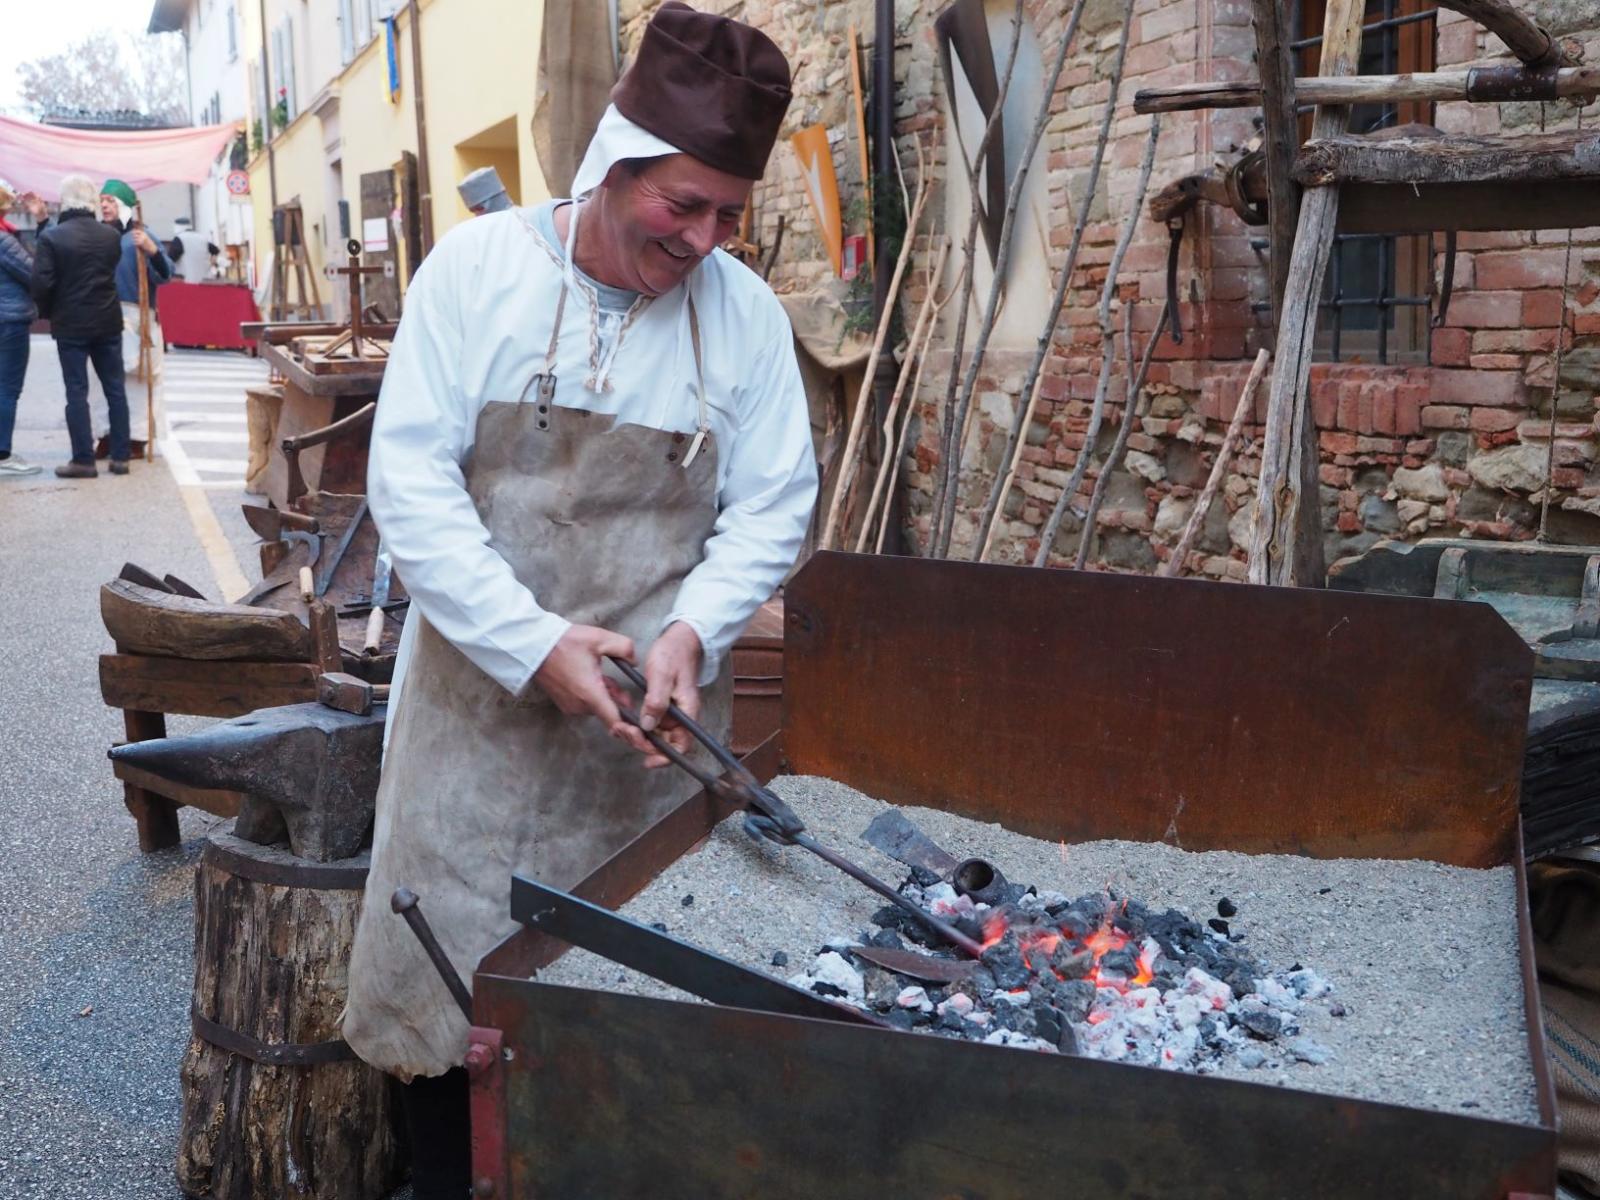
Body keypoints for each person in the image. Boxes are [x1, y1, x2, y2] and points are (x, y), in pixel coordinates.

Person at [341, 4, 814, 1195]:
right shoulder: (476, 275)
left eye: (728, 215)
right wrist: (532, 643)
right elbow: (409, 489)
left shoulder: (746, 321)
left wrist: (693, 630)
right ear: (615, 166)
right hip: (471, 739)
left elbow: (771, 507)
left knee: (626, 1050)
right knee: (449, 1033)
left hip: (639, 752)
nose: (704, 238)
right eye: (683, 205)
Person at [30, 174, 130, 477]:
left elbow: (42, 283)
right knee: (115, 389)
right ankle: (120, 457)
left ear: (64, 201)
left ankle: (84, 460)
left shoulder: (52, 238)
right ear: (91, 201)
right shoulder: (111, 236)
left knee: (76, 390)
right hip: (108, 320)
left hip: (70, 323)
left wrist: (50, 312)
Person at [97, 179, 169, 458]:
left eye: (110, 201)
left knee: (138, 379)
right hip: (103, 315)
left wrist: (152, 250)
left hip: (137, 317)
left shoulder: (140, 235)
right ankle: (106, 434)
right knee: (101, 378)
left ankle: (137, 438)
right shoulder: (97, 236)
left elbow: (164, 274)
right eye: (102, 200)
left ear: (125, 206)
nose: (104, 205)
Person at [0, 178, 44, 477]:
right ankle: (3, 454)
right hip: (9, 319)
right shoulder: (4, 241)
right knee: (7, 388)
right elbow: (33, 274)